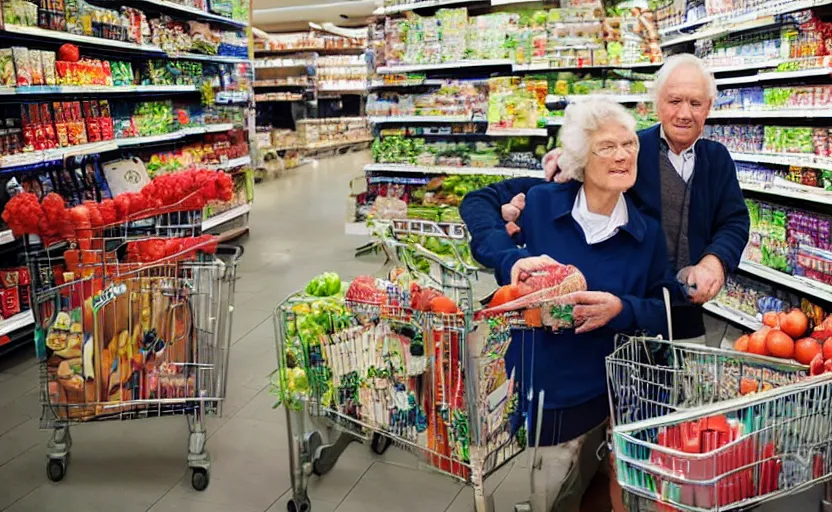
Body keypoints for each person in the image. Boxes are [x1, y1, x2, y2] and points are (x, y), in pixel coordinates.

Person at [463, 97, 679, 512]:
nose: (622, 155)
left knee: (589, 485)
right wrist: (511, 259)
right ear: (580, 158)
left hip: (606, 390)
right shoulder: (544, 202)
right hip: (543, 384)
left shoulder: (645, 231)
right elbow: (476, 204)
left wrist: (621, 308)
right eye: (607, 147)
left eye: (630, 144)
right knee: (549, 487)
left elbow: (661, 306)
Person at [466, 53, 750, 344]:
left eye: (695, 103)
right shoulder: (627, 154)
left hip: (678, 309)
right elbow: (482, 202)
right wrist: (576, 157)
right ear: (657, 103)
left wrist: (714, 262)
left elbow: (734, 220)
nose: (684, 113)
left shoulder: (716, 159)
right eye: (675, 101)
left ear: (709, 107)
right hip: (618, 309)